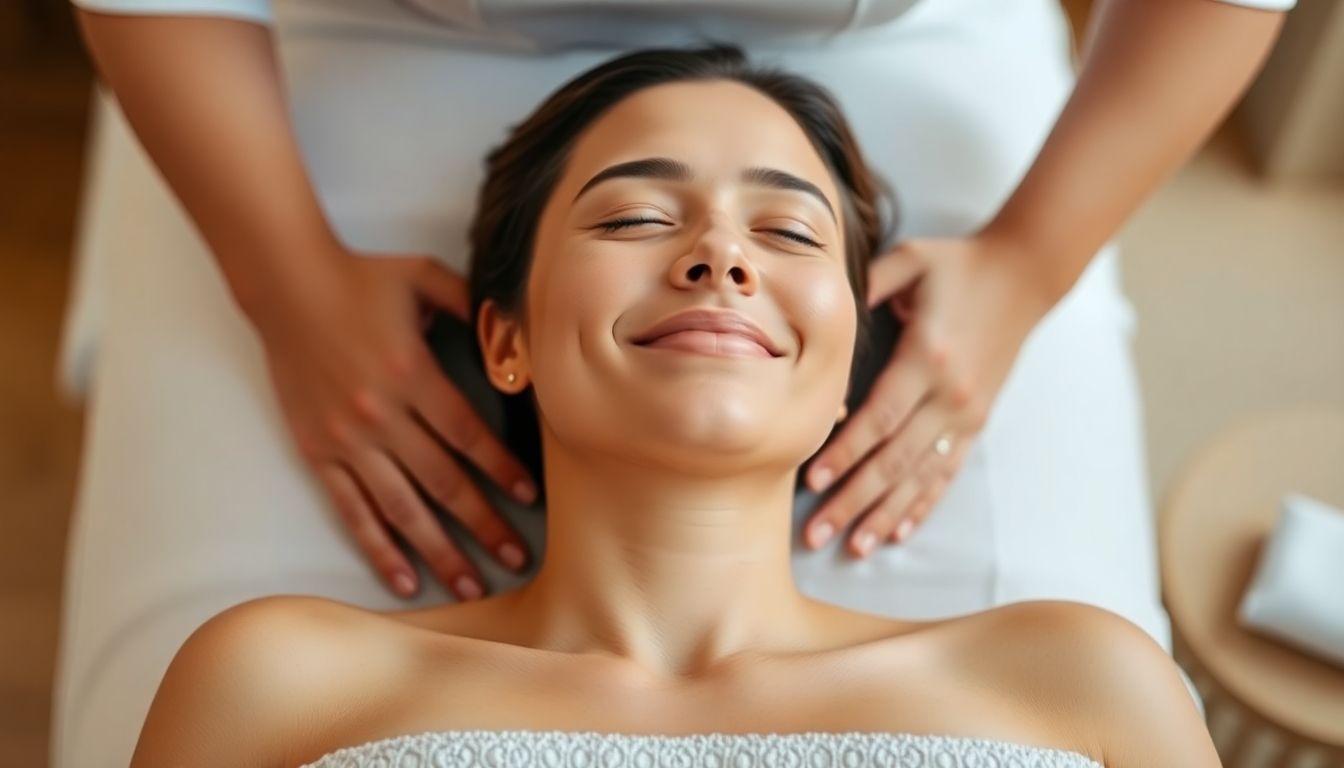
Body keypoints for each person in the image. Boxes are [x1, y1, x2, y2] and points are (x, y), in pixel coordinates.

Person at [54, 1, 1287, 765]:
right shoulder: (273, 679)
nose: (720, 255)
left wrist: (1027, 267)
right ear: (506, 341)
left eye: (792, 234)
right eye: (636, 214)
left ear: (855, 362)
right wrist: (286, 284)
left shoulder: (1081, 680)